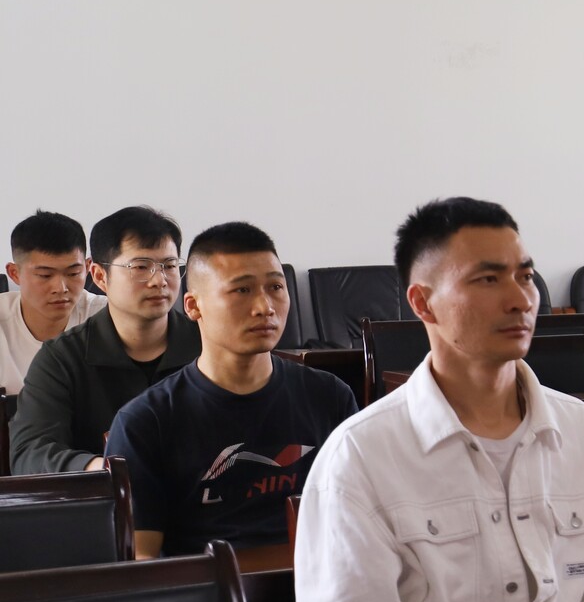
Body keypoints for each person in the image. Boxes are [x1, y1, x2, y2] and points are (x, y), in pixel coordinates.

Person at [296, 198, 584, 602]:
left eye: (525, 277)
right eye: (488, 279)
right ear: (423, 303)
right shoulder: (362, 455)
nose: (521, 299)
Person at [105, 223, 355, 557]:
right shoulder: (145, 421)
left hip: (318, 582)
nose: (264, 306)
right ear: (193, 306)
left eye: (275, 287)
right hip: (206, 588)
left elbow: (359, 519)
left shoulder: (330, 397)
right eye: (242, 290)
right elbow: (141, 559)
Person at [10, 206, 201, 474]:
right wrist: (106, 469)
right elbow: (30, 453)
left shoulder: (209, 344)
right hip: (106, 496)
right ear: (100, 276)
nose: (159, 280)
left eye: (169, 266)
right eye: (141, 267)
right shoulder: (62, 358)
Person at [0, 210, 106, 401]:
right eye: (45, 275)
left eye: (73, 273)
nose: (61, 288)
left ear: (87, 267)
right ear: (15, 273)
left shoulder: (109, 316)